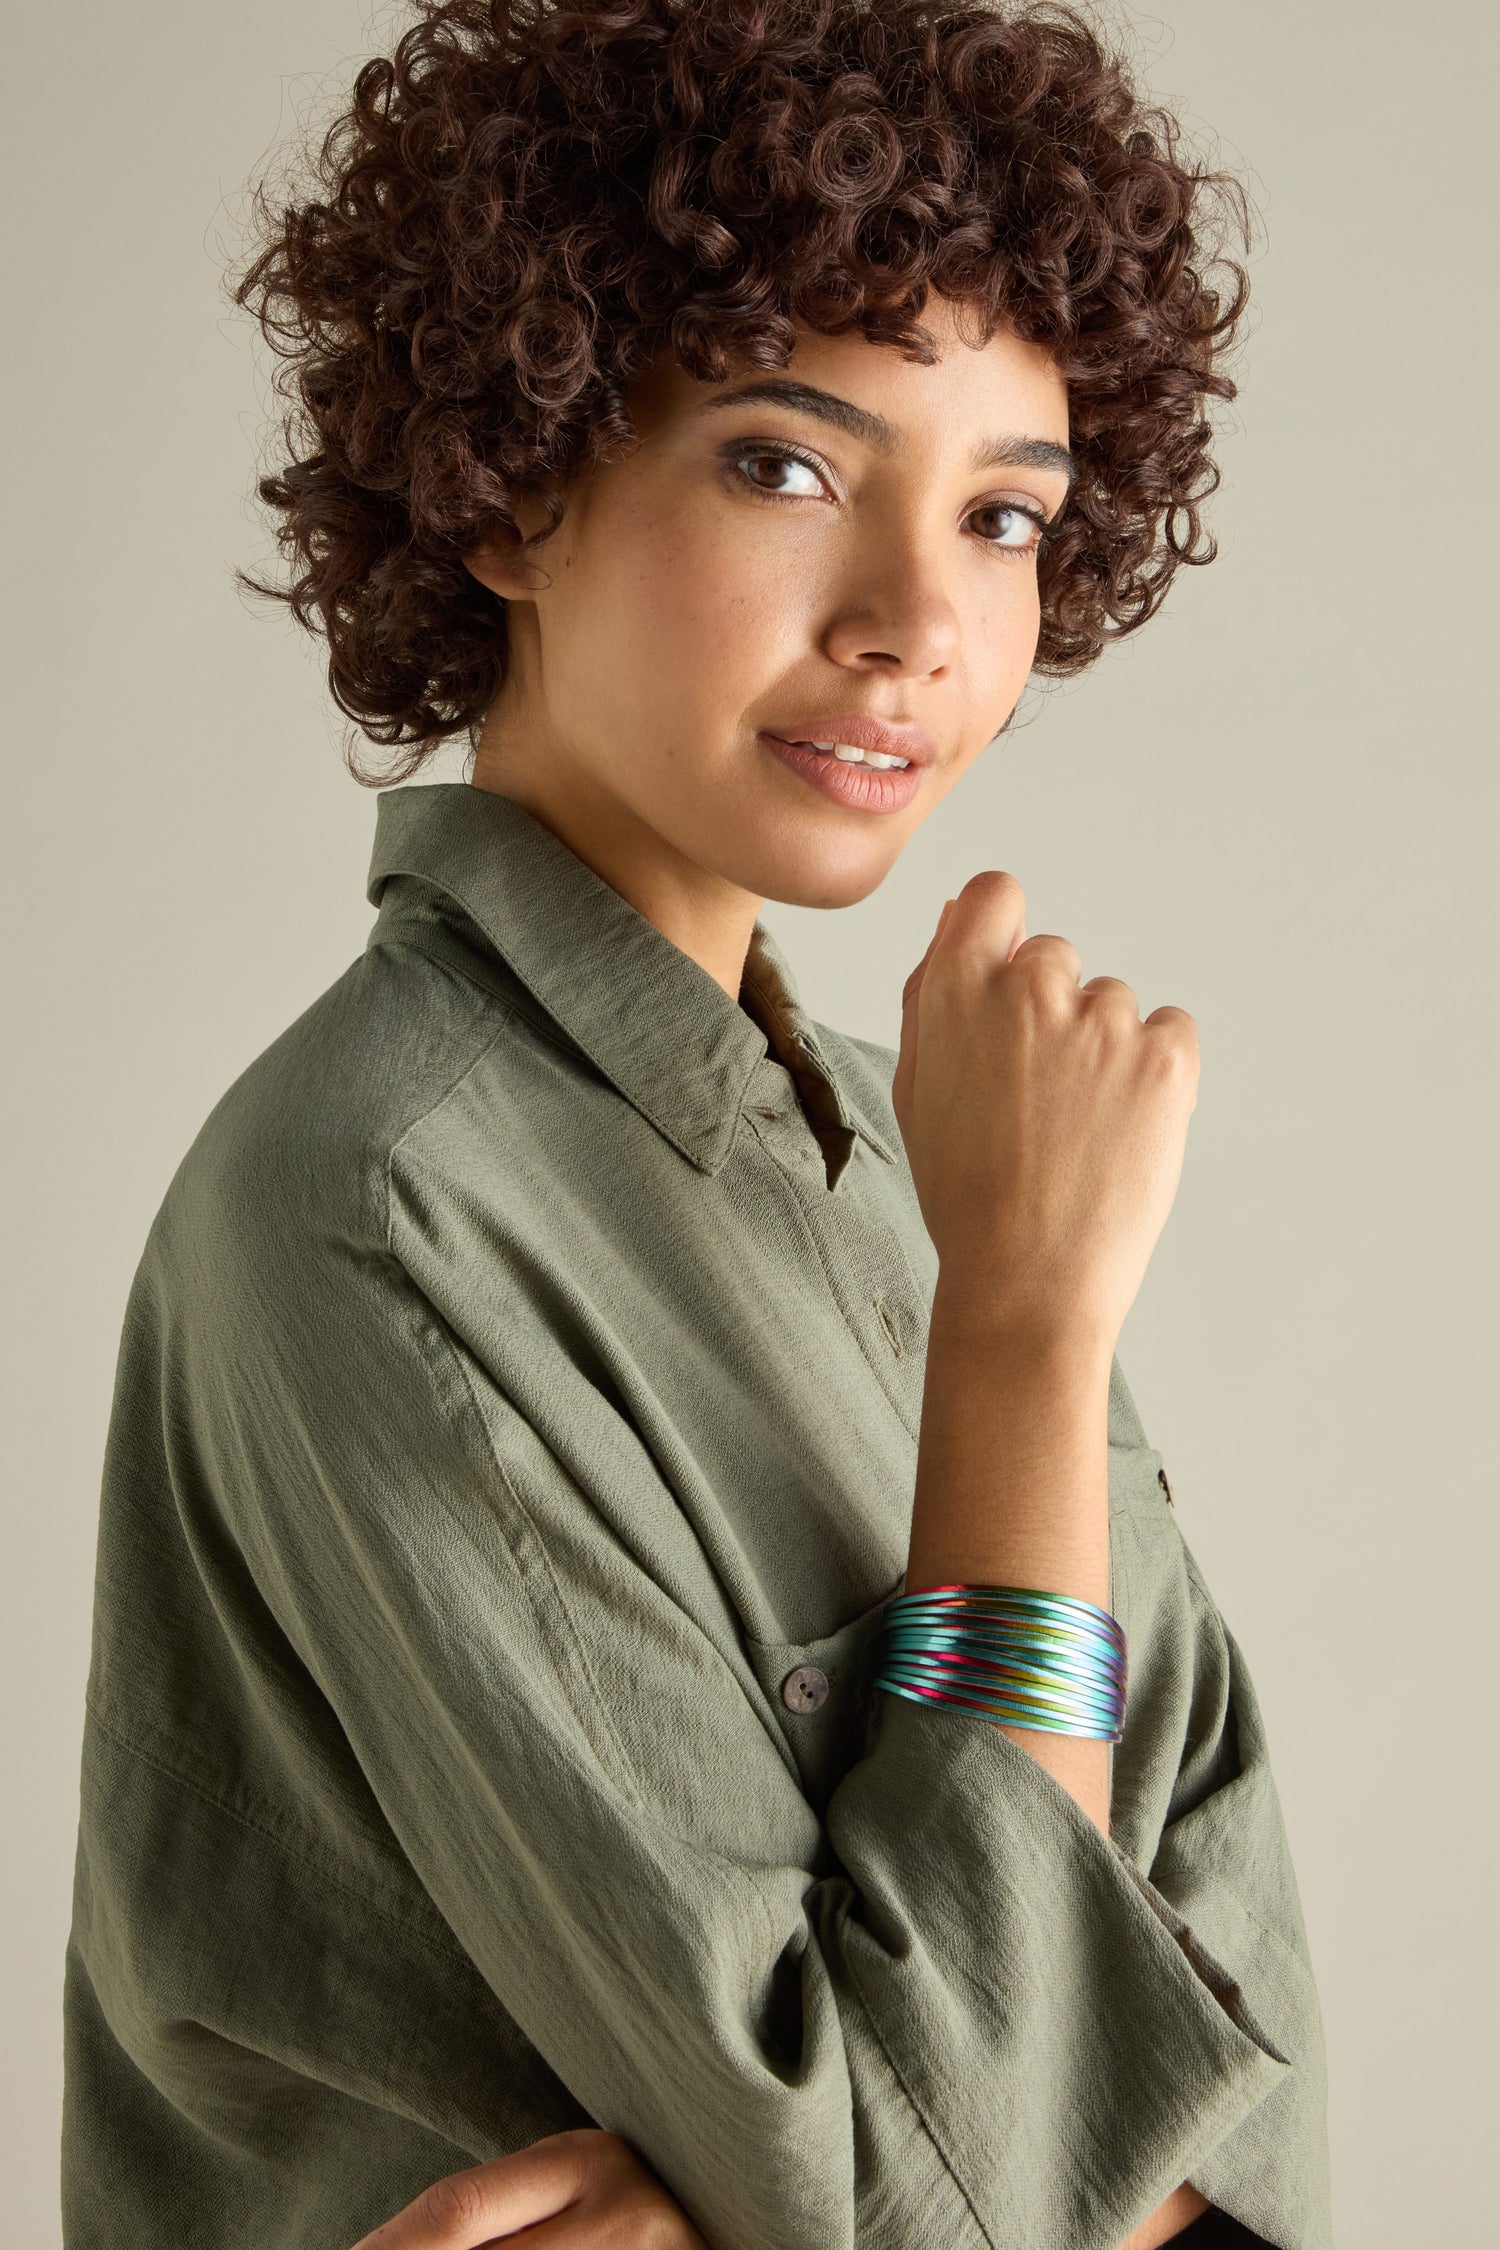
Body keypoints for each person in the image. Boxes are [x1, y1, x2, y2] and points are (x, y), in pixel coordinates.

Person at [60, 3, 1332, 2245]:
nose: (921, 622)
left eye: (1008, 514)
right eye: (785, 463)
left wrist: (869, 2174)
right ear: (513, 478)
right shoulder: (379, 1208)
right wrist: (1028, 1343)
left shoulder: (911, 1174)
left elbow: (1253, 2103)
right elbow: (938, 2196)